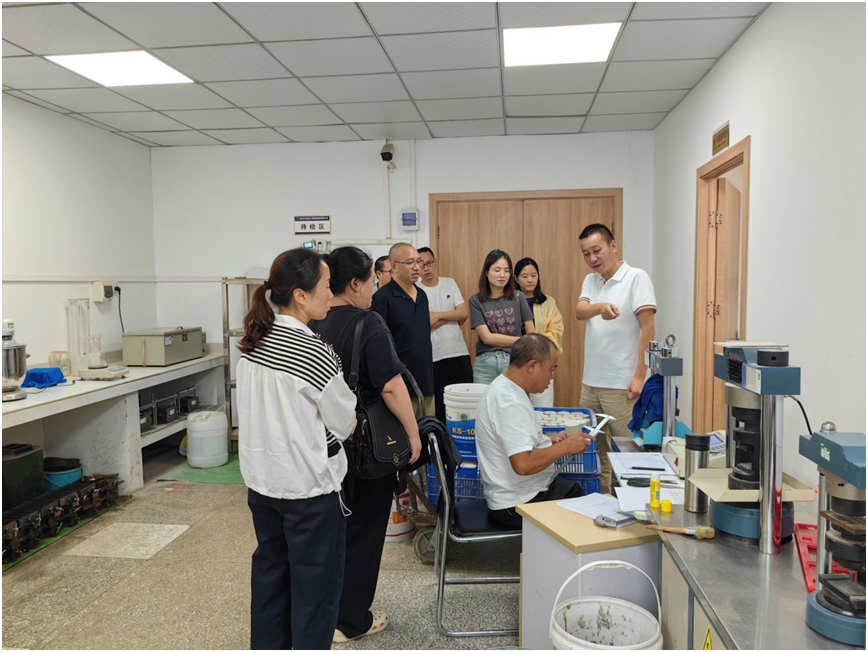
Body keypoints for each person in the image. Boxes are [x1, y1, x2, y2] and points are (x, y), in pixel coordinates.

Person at [236, 248, 357, 650]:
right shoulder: (314, 352)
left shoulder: (253, 342)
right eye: (326, 286)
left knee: (270, 580)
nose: (331, 294)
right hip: (309, 492)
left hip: (263, 486)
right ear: (301, 295)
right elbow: (344, 422)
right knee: (314, 594)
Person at [309, 246, 422, 645]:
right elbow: (391, 386)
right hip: (364, 447)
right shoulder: (368, 322)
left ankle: (324, 612)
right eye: (373, 281)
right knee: (364, 531)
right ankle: (351, 620)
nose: (375, 289)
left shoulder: (313, 320)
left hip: (320, 443)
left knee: (330, 532)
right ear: (355, 284)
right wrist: (412, 434)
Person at [475, 334, 595, 529]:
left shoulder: (505, 386)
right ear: (532, 366)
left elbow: (513, 439)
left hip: (520, 491)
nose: (552, 376)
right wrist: (565, 447)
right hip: (516, 502)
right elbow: (523, 464)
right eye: (551, 369)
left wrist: (549, 441)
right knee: (579, 512)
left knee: (572, 490)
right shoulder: (510, 403)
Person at [575, 223, 656, 494]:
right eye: (586, 254)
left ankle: (632, 505)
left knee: (626, 451)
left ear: (613, 246)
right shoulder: (591, 280)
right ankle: (601, 499)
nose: (592, 258)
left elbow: (649, 329)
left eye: (596, 250)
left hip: (622, 385)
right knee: (592, 450)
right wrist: (600, 307)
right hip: (591, 383)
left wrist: (639, 377)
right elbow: (580, 311)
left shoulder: (636, 277)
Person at [370, 243, 436, 419]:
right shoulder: (382, 297)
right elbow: (377, 346)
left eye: (418, 262)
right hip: (398, 385)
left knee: (428, 429)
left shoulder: (422, 295)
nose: (417, 267)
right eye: (410, 262)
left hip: (425, 379)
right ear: (394, 266)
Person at [417, 246, 473, 422]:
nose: (426, 268)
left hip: (458, 352)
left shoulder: (450, 283)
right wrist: (452, 317)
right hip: (435, 356)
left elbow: (464, 313)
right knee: (441, 409)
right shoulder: (415, 290)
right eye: (421, 264)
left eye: (429, 263)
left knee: (466, 402)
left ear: (435, 262)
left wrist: (438, 315)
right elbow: (423, 323)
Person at [468, 249, 535, 384]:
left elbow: (531, 333)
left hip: (513, 360)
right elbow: (487, 338)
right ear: (487, 272)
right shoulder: (475, 300)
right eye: (497, 270)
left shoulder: (518, 297)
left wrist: (525, 341)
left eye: (507, 270)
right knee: (483, 398)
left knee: (512, 398)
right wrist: (522, 340)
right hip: (485, 362)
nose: (502, 275)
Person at [515, 257, 564, 407]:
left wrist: (535, 346)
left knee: (542, 410)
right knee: (515, 408)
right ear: (516, 278)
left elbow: (556, 330)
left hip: (541, 363)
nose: (530, 280)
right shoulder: (509, 302)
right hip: (515, 364)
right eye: (525, 276)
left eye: (533, 275)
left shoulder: (548, 302)